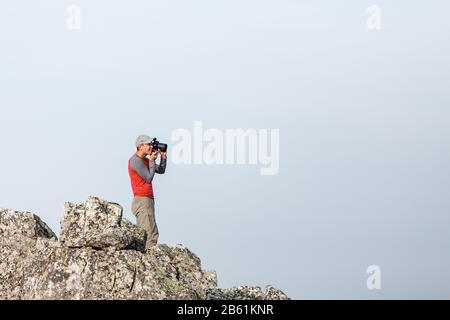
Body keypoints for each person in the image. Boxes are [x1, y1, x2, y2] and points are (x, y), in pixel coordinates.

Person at [128, 134, 167, 249]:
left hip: (146, 199)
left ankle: (144, 261)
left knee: (145, 233)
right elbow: (148, 177)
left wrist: (163, 157)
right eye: (149, 144)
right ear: (140, 146)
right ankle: (150, 261)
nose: (151, 146)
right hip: (142, 200)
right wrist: (151, 160)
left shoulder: (145, 160)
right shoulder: (135, 161)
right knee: (150, 233)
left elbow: (161, 170)